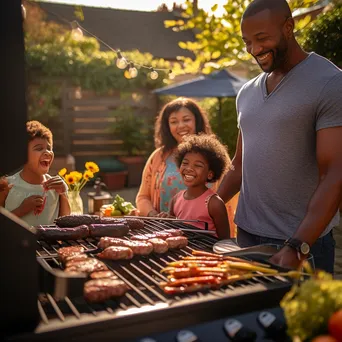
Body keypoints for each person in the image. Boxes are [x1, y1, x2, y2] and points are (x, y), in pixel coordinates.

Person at [217, 0, 342, 273]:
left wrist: (299, 245)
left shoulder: (331, 83)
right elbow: (240, 164)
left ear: (288, 26)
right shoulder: (246, 93)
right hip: (246, 238)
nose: (254, 50)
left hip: (300, 244)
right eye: (247, 42)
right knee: (250, 316)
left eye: (261, 38)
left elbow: (335, 174)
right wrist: (212, 202)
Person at [136, 97, 237, 236]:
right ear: (167, 126)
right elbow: (142, 197)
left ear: (197, 121)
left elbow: (229, 200)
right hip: (163, 232)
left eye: (186, 119)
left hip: (205, 237)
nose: (181, 125)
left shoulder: (216, 155)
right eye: (174, 121)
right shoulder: (158, 157)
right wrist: (155, 216)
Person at [160, 134, 231, 239]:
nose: (189, 168)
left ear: (210, 174)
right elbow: (172, 228)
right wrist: (166, 219)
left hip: (206, 254)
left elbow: (225, 241)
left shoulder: (214, 204)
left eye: (197, 165)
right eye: (185, 163)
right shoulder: (176, 199)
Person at [0, 120, 71, 226]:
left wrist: (64, 194)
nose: (47, 152)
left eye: (49, 148)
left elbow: (65, 223)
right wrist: (21, 210)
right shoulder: (6, 185)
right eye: (39, 148)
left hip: (48, 243)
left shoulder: (56, 186)